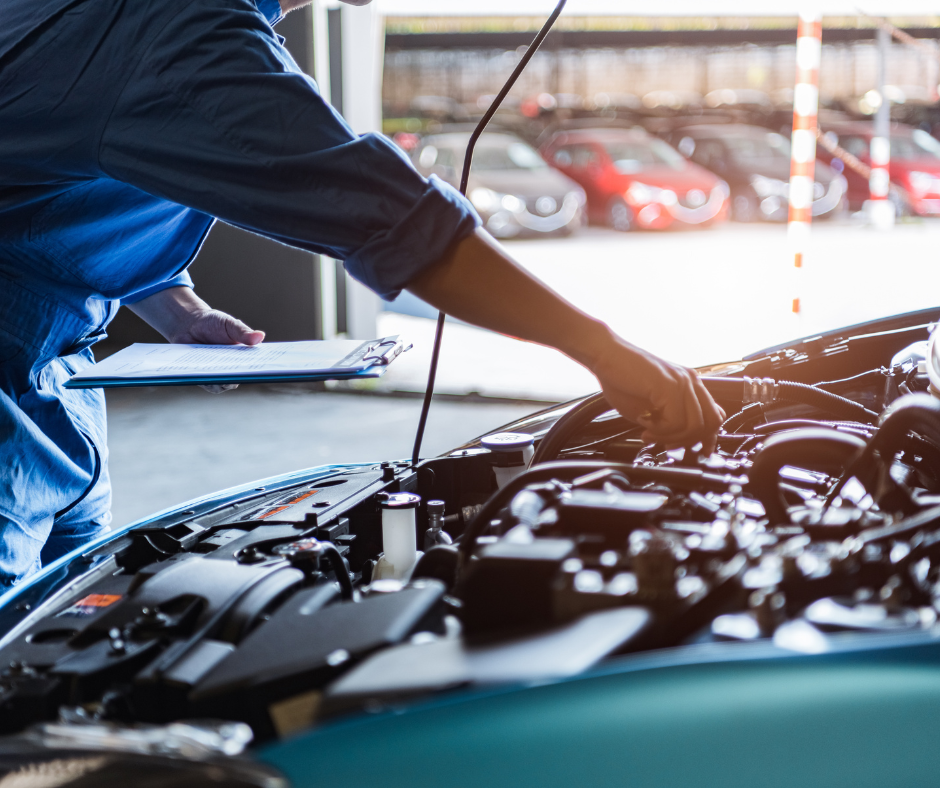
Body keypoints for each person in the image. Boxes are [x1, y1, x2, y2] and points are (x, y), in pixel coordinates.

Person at [0, 0, 724, 588]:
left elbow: (53, 186)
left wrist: (175, 306)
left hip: (58, 377)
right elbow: (401, 226)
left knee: (65, 622)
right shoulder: (175, 29)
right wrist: (605, 351)